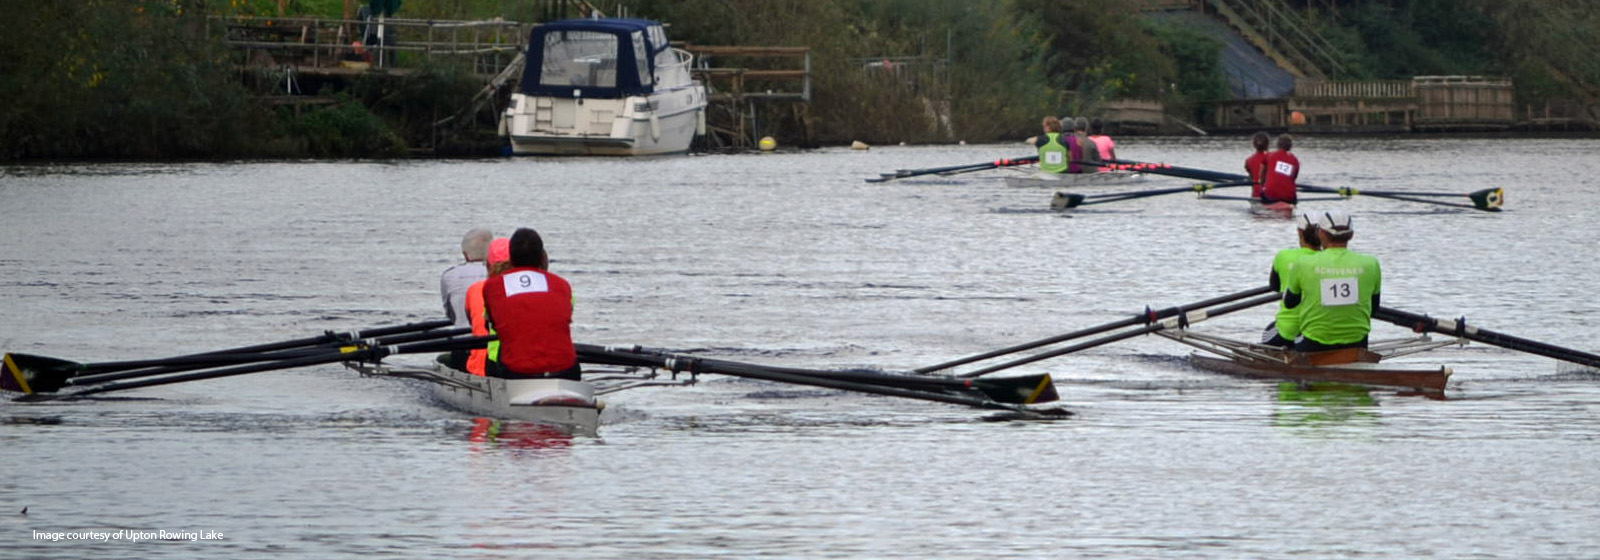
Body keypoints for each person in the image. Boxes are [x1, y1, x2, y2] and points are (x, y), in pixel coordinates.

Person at [482, 227, 580, 380]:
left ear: (512, 259)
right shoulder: (562, 285)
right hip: (565, 369)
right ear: (542, 258)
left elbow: (494, 324)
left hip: (517, 371)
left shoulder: (492, 286)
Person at [1282, 210, 1381, 352]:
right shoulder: (1371, 263)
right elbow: (1374, 309)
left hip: (1314, 342)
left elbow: (1290, 303)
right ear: (1351, 235)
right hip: (1357, 342)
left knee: (1290, 340)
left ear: (1321, 233)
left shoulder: (1303, 263)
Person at [1261, 213, 1321, 348]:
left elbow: (1275, 287)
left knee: (1268, 331)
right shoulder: (1330, 261)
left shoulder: (1284, 256)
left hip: (1289, 332)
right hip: (1320, 331)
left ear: (1300, 232)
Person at [461, 237, 512, 376]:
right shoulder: (522, 291)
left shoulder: (475, 289)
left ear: (488, 264)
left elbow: (474, 324)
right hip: (509, 367)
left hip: (478, 368)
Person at [441, 228, 492, 328]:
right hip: (493, 338)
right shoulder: (502, 275)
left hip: (462, 338)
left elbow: (450, 314)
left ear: (465, 255)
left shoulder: (449, 275)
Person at [1260, 134, 1299, 204]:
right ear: (1290, 147)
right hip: (1289, 197)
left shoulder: (1269, 155)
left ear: (1277, 145)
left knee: (1262, 193)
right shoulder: (1295, 160)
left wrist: (1262, 183)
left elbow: (1262, 173)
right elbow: (1293, 178)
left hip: (1271, 195)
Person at [1244, 131, 1271, 199]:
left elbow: (1251, 176)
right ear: (1268, 144)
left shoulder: (1248, 160)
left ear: (1254, 145)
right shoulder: (1273, 158)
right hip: (1270, 195)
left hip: (1255, 196)